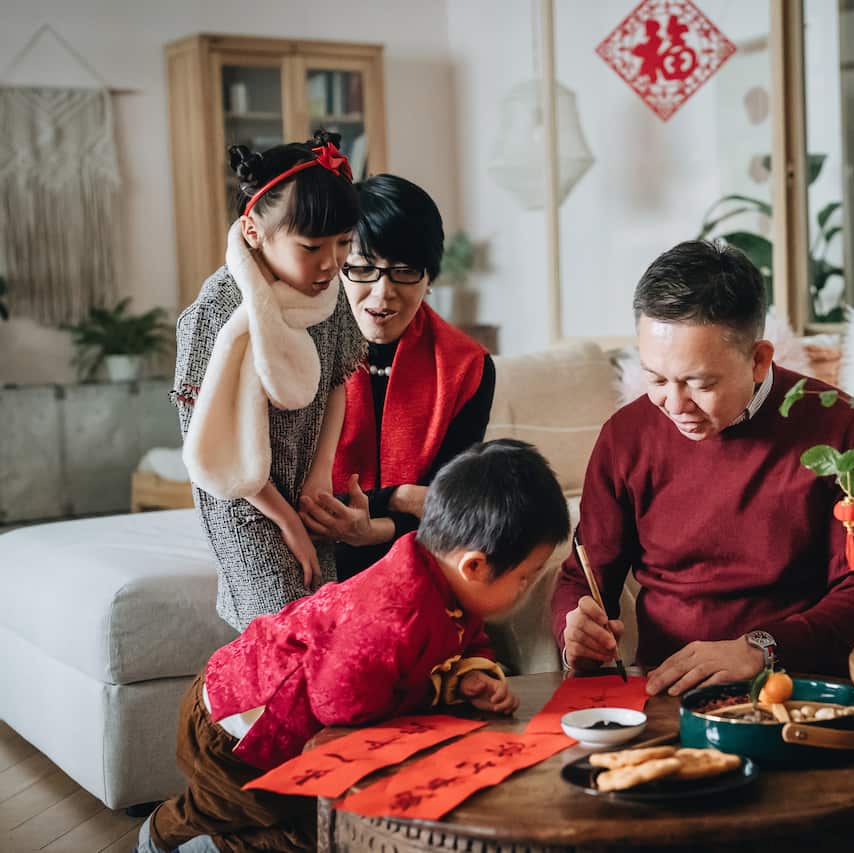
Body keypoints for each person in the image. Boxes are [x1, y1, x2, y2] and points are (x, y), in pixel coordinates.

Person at [137, 439, 571, 853]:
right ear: (473, 566)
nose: (526, 589)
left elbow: (468, 638)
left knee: (310, 822)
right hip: (237, 725)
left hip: (293, 723)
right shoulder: (390, 616)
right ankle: (166, 836)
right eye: (524, 578)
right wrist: (427, 700)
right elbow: (337, 700)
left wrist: (472, 673)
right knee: (252, 812)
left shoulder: (451, 588)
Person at [552, 240, 854, 696]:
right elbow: (583, 576)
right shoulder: (626, 436)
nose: (674, 404)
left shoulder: (840, 427)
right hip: (666, 690)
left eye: (698, 383)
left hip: (798, 690)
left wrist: (761, 650)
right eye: (656, 378)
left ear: (758, 360)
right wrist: (574, 632)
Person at [173, 130, 366, 631]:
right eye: (311, 246)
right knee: (286, 629)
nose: (331, 262)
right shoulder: (215, 310)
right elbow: (206, 440)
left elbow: (338, 381)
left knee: (323, 628)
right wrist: (285, 519)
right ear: (254, 231)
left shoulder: (326, 293)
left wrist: (319, 476)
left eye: (343, 243)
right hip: (242, 498)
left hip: (305, 489)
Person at [298, 174, 494, 580]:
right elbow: (296, 495)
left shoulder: (467, 367)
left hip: (419, 556)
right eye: (362, 269)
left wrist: (375, 528)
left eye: (404, 271)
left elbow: (448, 506)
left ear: (429, 277)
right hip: (308, 551)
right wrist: (400, 497)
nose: (383, 292)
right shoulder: (298, 351)